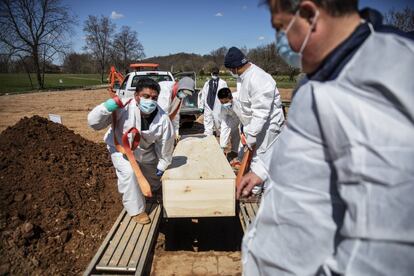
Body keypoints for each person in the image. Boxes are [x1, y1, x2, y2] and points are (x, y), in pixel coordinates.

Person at [239, 0, 414, 275]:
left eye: (281, 28)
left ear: (309, 14)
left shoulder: (381, 80)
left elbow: (382, 250)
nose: (282, 42)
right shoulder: (324, 71)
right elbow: (306, 142)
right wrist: (262, 169)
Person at [88, 78, 178, 225]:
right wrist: (107, 107)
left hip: (145, 150)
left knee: (153, 178)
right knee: (129, 174)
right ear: (137, 96)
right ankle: (137, 210)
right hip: (121, 149)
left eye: (154, 98)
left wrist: (162, 164)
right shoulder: (122, 106)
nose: (150, 101)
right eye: (146, 96)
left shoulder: (163, 119)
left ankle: (153, 191)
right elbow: (94, 124)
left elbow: (165, 145)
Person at [224, 46, 285, 188]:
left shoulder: (258, 78)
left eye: (230, 69)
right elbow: (247, 106)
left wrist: (251, 133)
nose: (230, 72)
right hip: (257, 126)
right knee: (257, 158)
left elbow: (261, 111)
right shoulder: (245, 77)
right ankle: (257, 188)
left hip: (268, 126)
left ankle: (260, 191)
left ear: (234, 67)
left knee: (262, 158)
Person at [199, 67, 228, 136]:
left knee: (218, 120)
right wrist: (201, 105)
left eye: (216, 74)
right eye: (213, 74)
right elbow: (203, 94)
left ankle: (220, 133)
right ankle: (208, 134)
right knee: (208, 120)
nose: (215, 75)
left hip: (218, 105)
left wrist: (226, 105)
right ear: (211, 74)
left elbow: (226, 94)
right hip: (208, 104)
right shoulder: (207, 83)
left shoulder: (223, 83)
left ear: (218, 74)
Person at [217, 87, 242, 158]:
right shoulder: (223, 107)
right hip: (230, 116)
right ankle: (222, 149)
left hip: (241, 116)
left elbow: (243, 114)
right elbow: (223, 120)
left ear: (230, 98)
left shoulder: (239, 98)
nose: (224, 104)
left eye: (226, 102)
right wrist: (223, 144)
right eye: (222, 102)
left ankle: (237, 152)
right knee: (225, 129)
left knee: (239, 133)